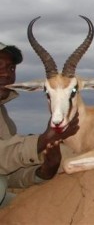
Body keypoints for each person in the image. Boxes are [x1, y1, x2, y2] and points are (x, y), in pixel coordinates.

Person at [0, 42, 79, 208]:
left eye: (11, 68)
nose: (6, 74)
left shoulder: (4, 119)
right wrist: (42, 140)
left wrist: (44, 171)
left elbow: (7, 174)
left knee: (37, 210)